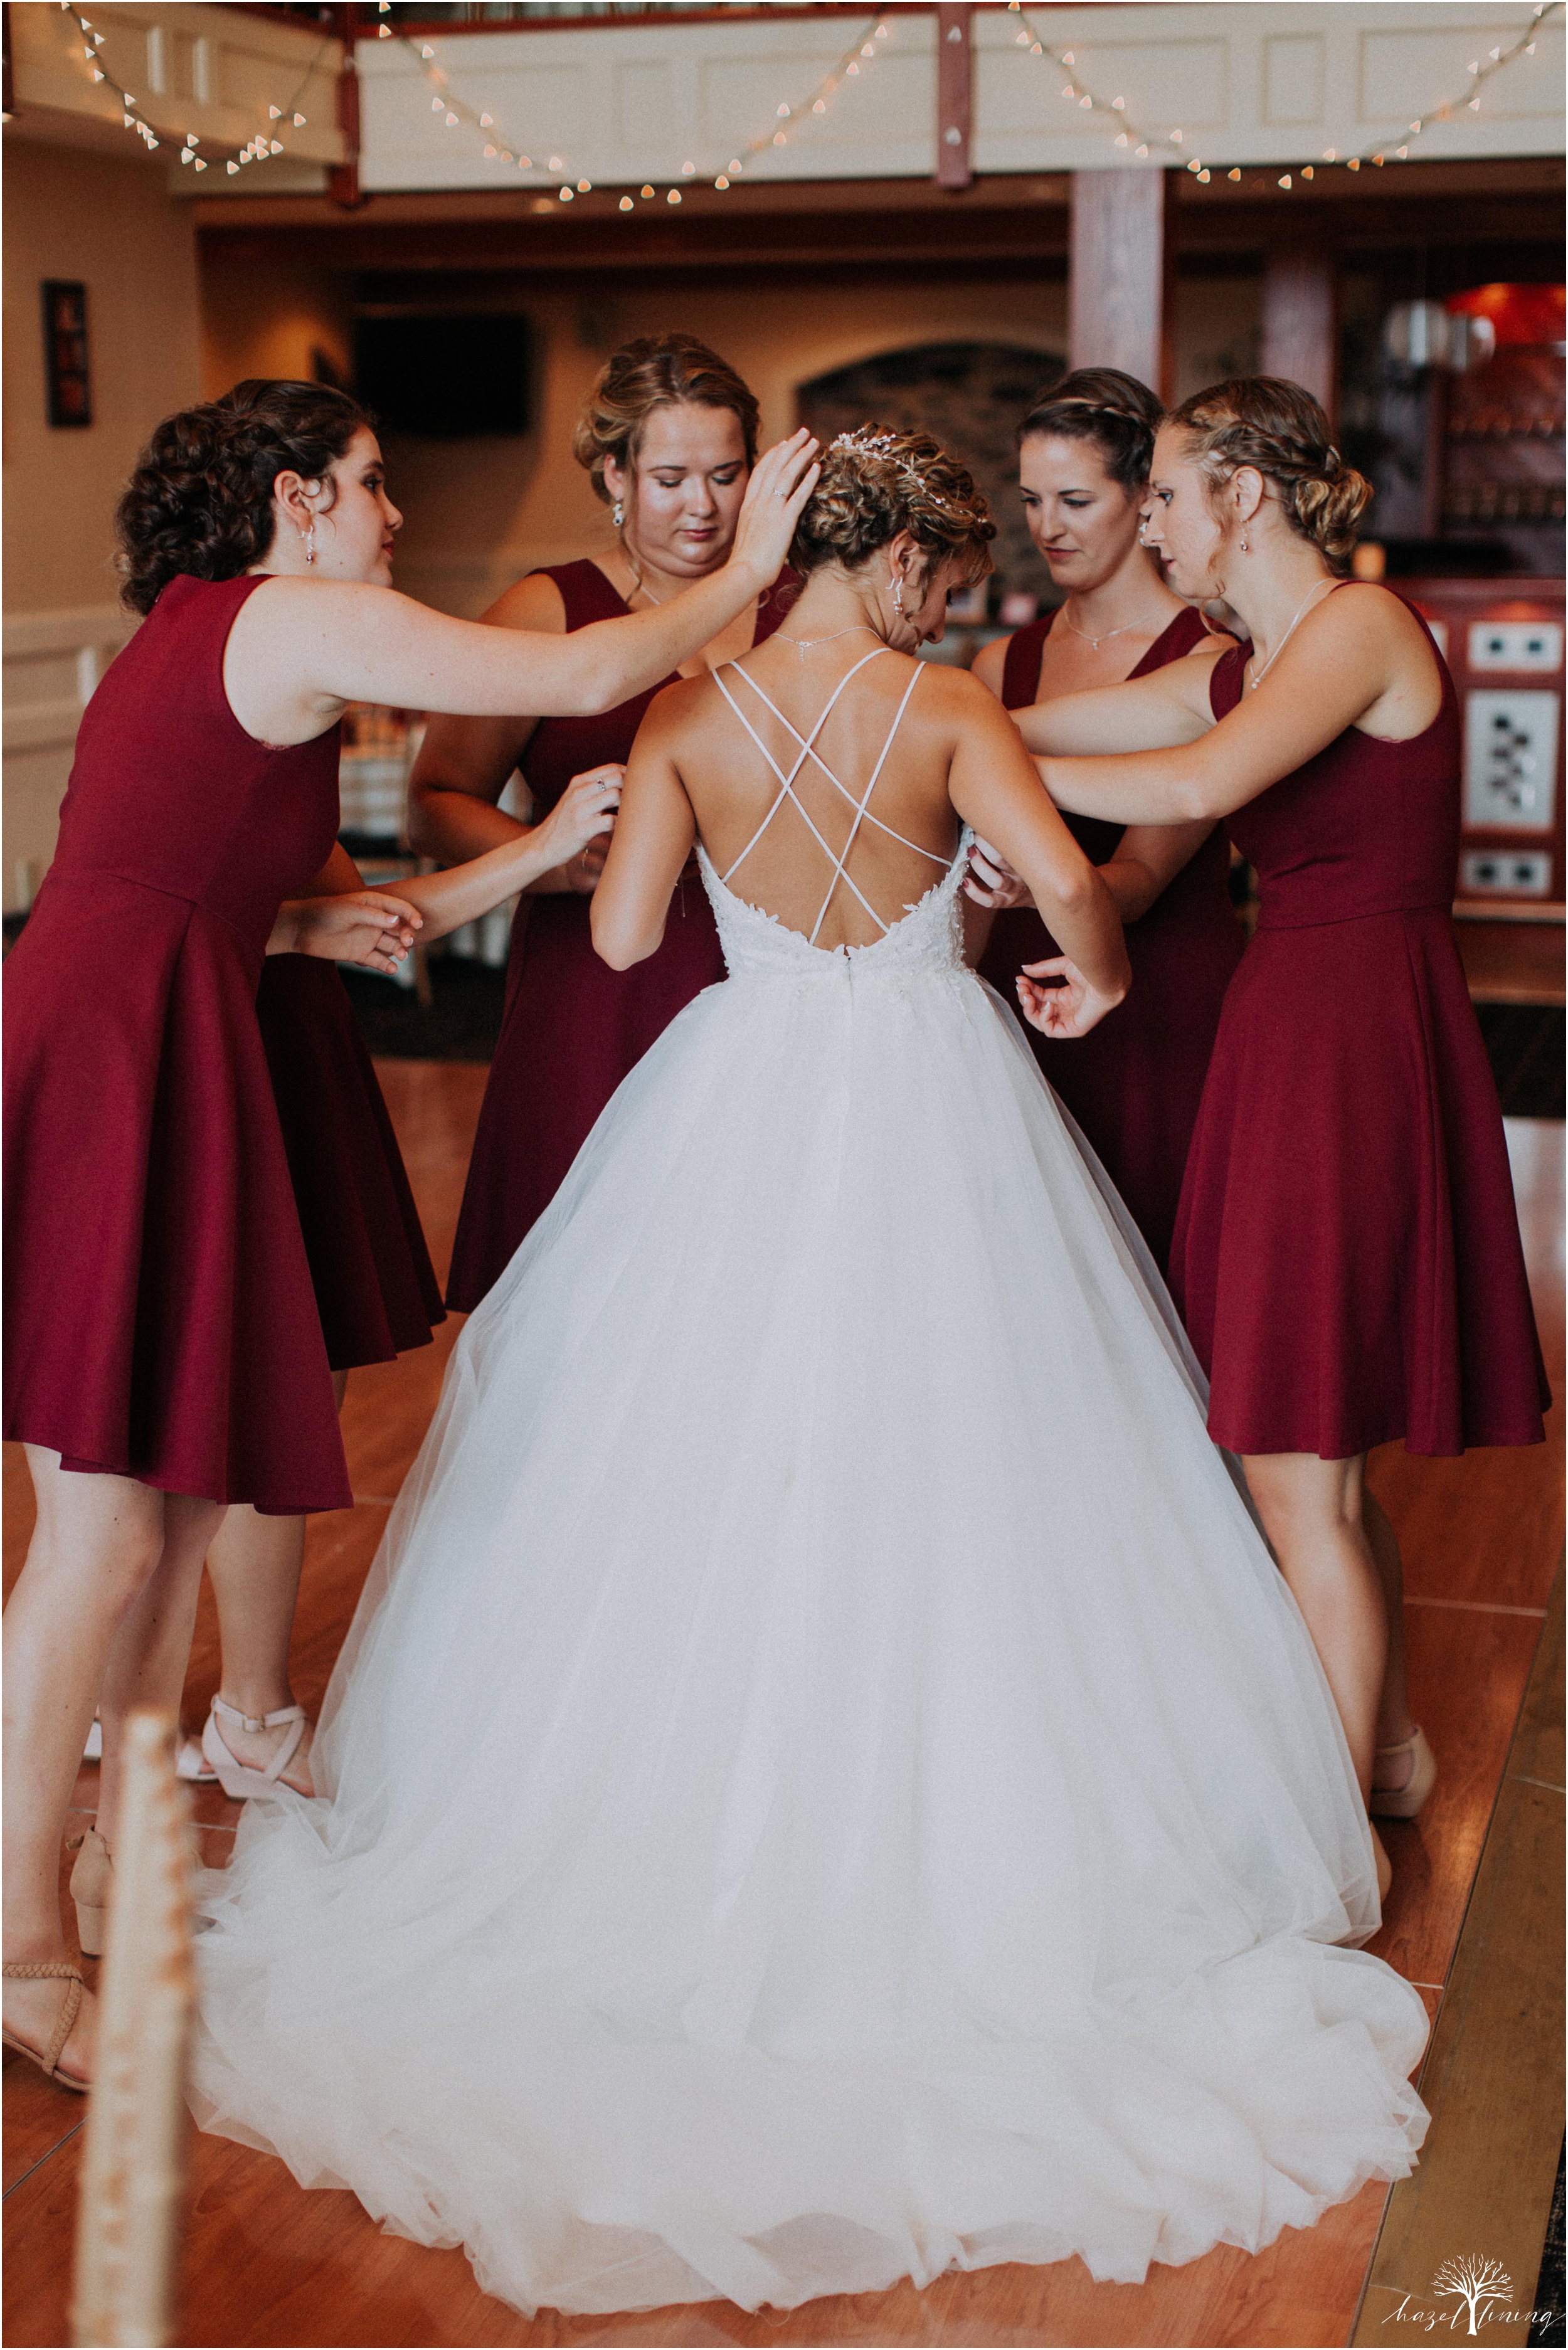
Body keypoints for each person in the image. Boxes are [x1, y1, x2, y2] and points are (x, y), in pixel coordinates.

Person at [190, 428, 1427, 2319]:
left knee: (700, 1469)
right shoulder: (944, 704)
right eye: (943, 562)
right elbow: (1075, 893)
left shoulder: (685, 709)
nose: (952, 592)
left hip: (735, 1094)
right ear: (908, 558)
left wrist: (636, 851)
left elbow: (617, 933)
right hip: (939, 1096)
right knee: (977, 1467)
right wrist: (1070, 954)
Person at [2, 378, 817, 2088]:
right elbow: (589, 674)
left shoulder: (203, 630)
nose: (390, 516)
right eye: (369, 485)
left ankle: (108, 1868)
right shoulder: (295, 610)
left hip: (156, 1020)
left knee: (161, 1517)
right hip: (120, 1048)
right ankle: (20, 1950)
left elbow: (202, 874)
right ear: (296, 501)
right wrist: (746, 555)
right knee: (93, 1539)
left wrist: (440, 890)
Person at [1007, 375, 1550, 1841]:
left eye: (1167, 494)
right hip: (1286, 1024)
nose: (1155, 528)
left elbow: (1186, 775)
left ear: (1239, 492)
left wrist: (961, 764)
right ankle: (1378, 1760)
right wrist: (920, 727)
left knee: (1293, 1465)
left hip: (1351, 1031)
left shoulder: (1358, 631)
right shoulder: (1248, 657)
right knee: (1302, 1443)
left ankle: (1318, 1841)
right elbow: (1074, 719)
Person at [410, 334, 800, 1310]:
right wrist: (548, 863)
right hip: (598, 987)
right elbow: (436, 798)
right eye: (670, 477)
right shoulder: (548, 612)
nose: (703, 507)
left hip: (773, 979)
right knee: (587, 1292)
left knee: (753, 1279)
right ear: (614, 474)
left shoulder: (802, 607)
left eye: (725, 473)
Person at [968, 369, 1242, 1269]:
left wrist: (1041, 886)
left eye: (1077, 499)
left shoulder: (1206, 661)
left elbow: (1143, 878)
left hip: (1153, 993)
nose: (1048, 527)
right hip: (1017, 994)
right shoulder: (999, 663)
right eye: (1033, 500)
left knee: (1151, 1259)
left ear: (1144, 498)